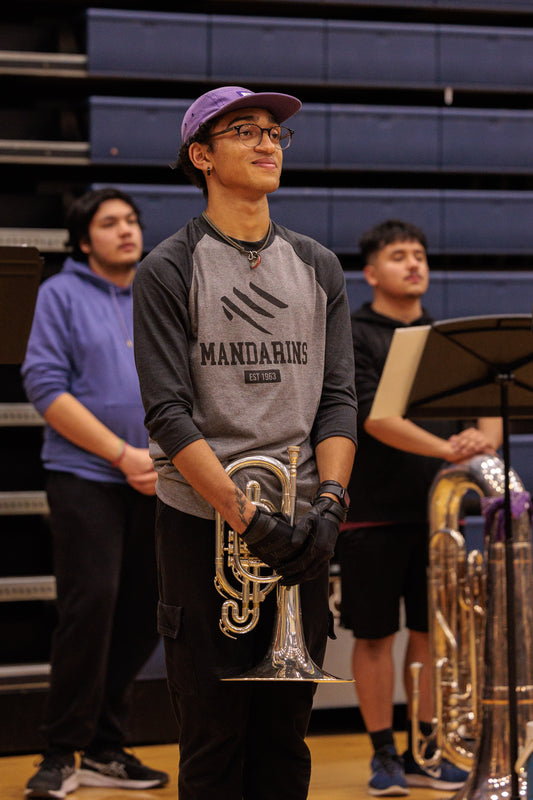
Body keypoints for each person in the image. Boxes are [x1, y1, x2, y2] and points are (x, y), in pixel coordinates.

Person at [132, 85, 358, 800]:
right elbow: (168, 414)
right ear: (201, 155)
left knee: (286, 736)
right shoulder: (168, 268)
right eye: (243, 131)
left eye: (273, 133)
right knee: (213, 737)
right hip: (206, 527)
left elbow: (338, 399)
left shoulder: (317, 265)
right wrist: (245, 517)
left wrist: (329, 503)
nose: (267, 143)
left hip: (300, 524)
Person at [336, 219, 502, 797]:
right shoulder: (354, 333)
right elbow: (375, 419)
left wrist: (483, 437)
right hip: (374, 512)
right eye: (399, 255)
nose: (414, 264)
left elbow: (489, 409)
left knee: (435, 636)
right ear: (372, 272)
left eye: (420, 255)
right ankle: (383, 752)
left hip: (439, 517)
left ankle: (425, 747)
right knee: (376, 636)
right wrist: (449, 449)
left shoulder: (446, 335)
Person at [21, 187, 169, 799]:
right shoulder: (59, 293)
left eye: (131, 220)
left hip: (162, 477)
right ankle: (59, 751)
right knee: (92, 607)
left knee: (146, 612)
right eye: (110, 223)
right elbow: (44, 385)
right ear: (85, 241)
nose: (126, 231)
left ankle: (107, 746)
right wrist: (122, 454)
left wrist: (161, 459)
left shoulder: (160, 291)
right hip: (87, 478)